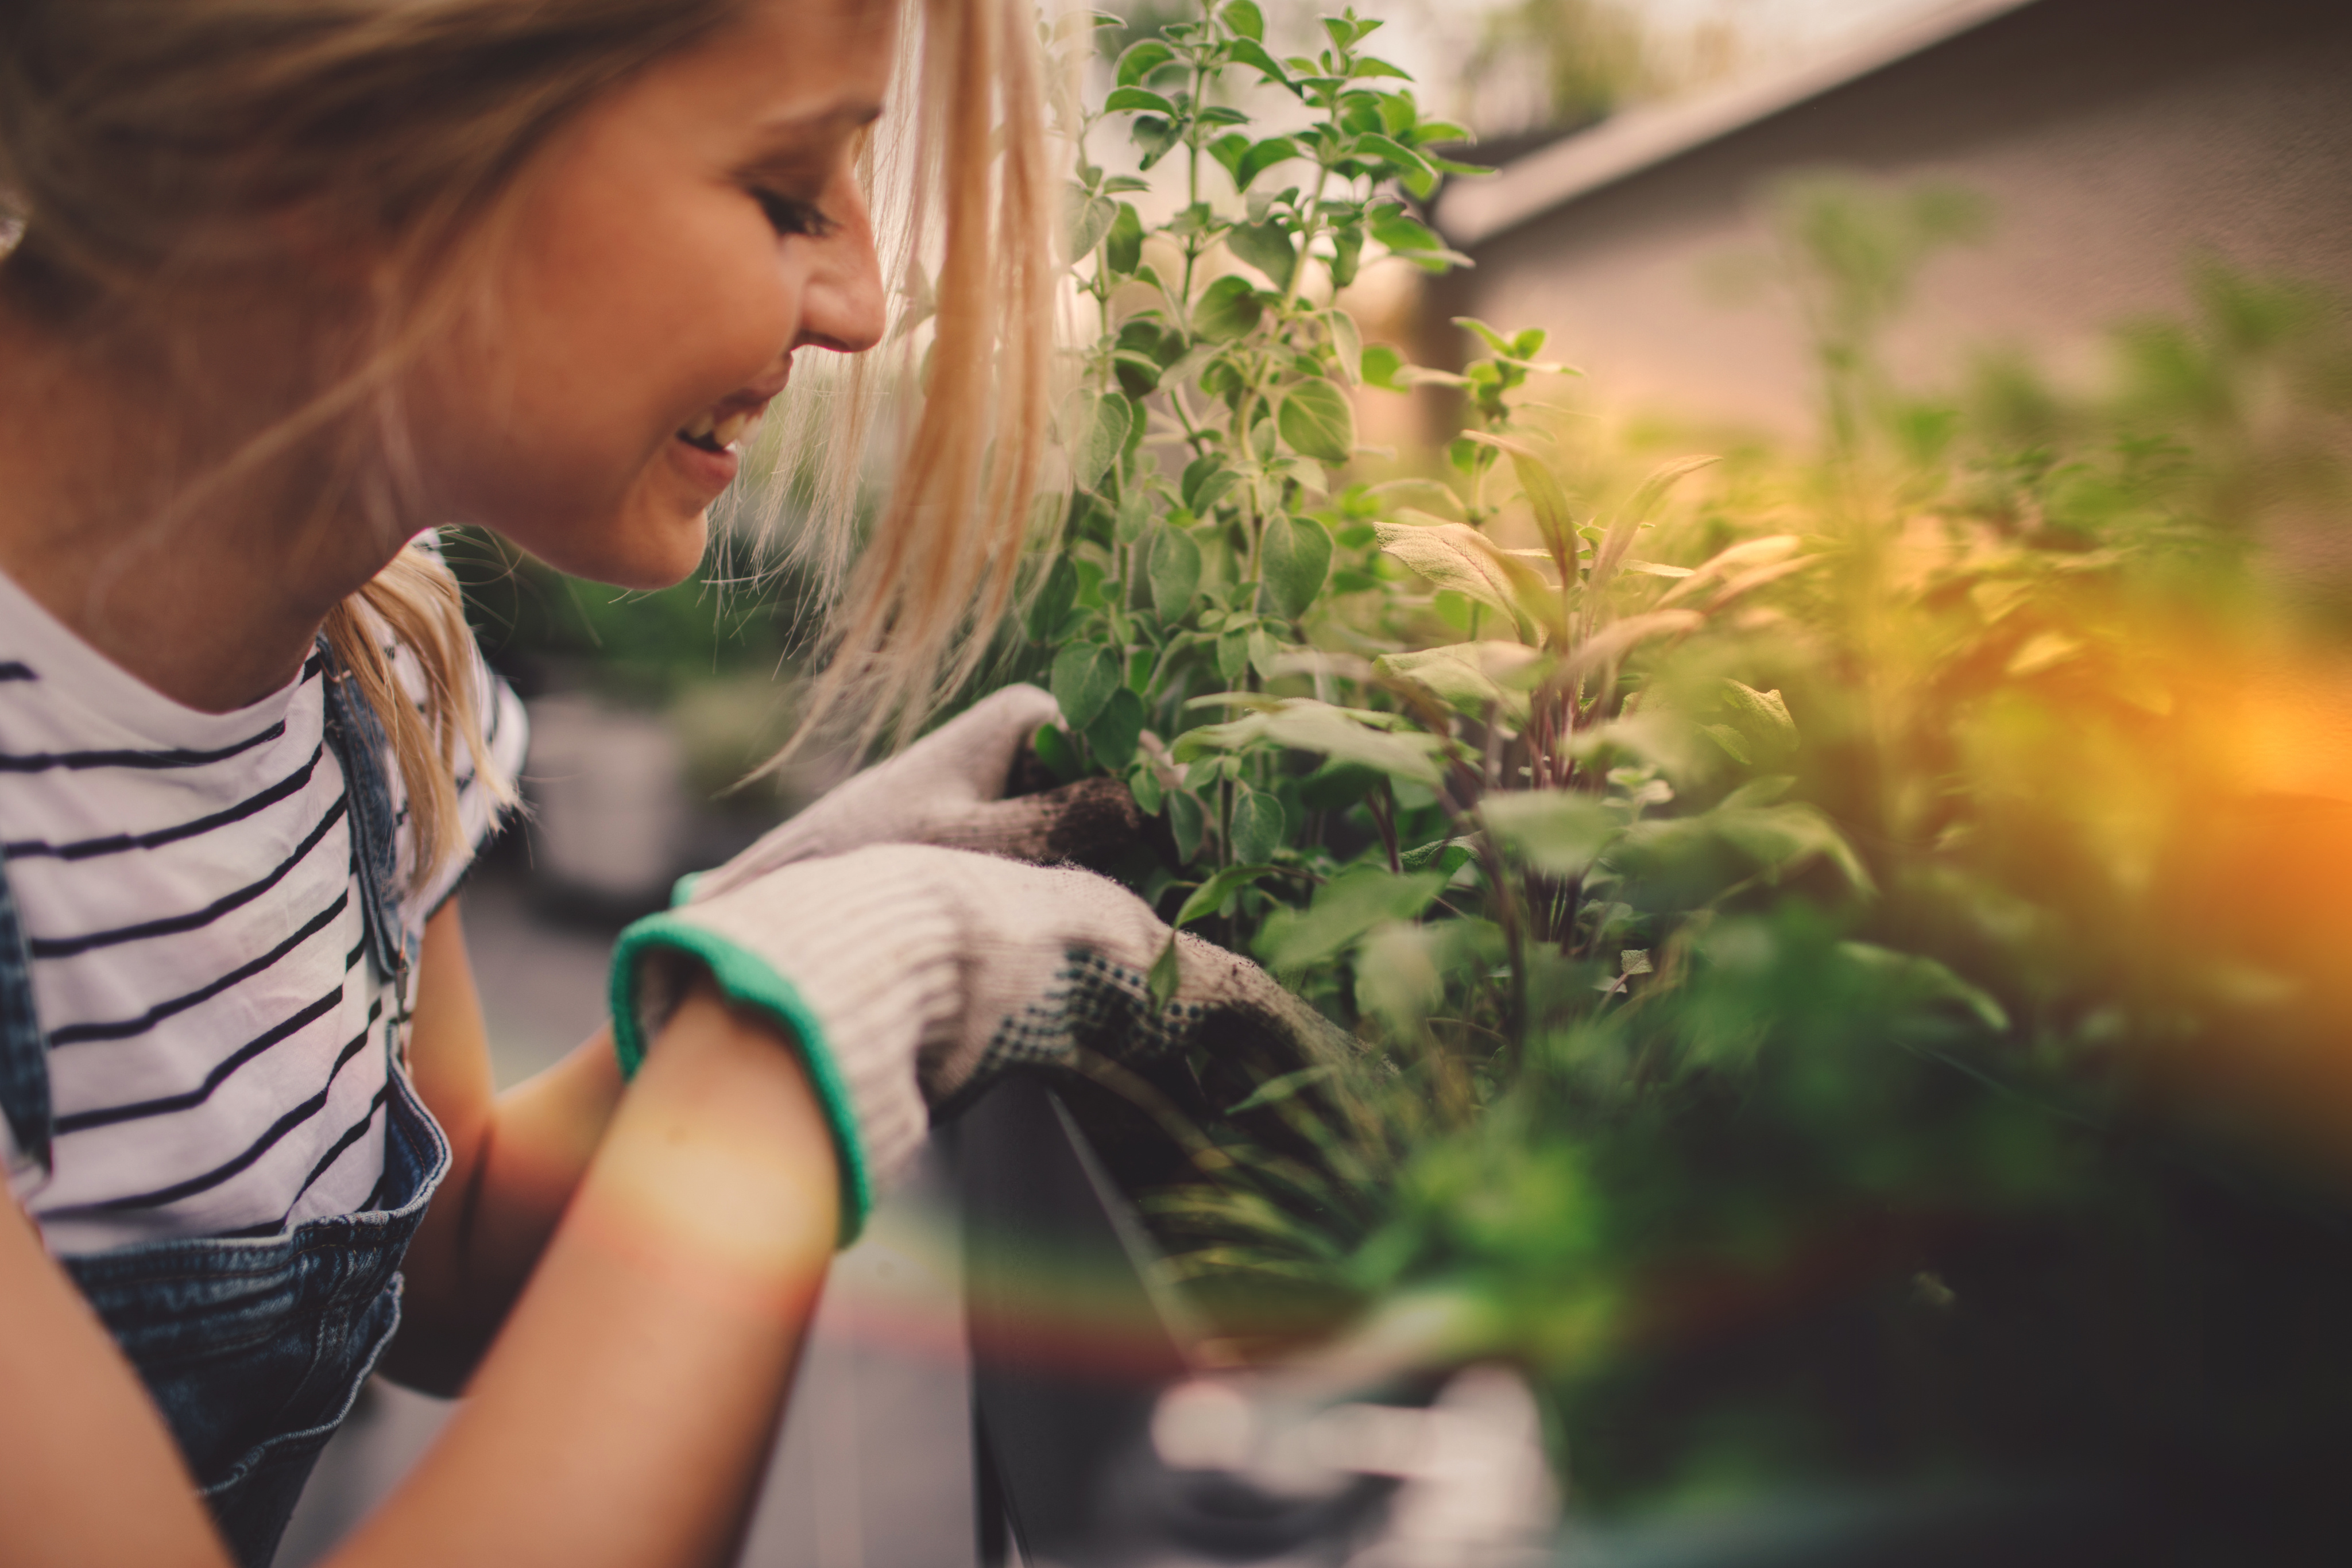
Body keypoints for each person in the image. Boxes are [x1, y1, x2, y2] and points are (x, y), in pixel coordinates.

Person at [0, 2, 1336, 1564]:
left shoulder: (373, 655)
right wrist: (796, 1037)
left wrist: (776, 917)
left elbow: (445, 1272)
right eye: (785, 192)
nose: (861, 300)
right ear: (339, 147)